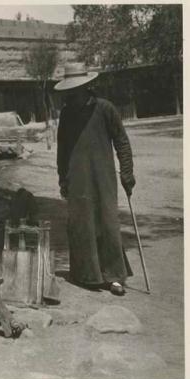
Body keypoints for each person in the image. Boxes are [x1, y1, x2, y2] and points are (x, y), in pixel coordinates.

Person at [54, 63, 135, 296]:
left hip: (103, 176)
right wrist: (63, 179)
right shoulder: (67, 114)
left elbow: (122, 141)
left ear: (87, 87)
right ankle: (86, 275)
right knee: (82, 224)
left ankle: (114, 277)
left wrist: (127, 172)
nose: (72, 95)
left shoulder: (105, 109)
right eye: (69, 91)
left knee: (108, 223)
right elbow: (63, 149)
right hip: (77, 177)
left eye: (76, 90)